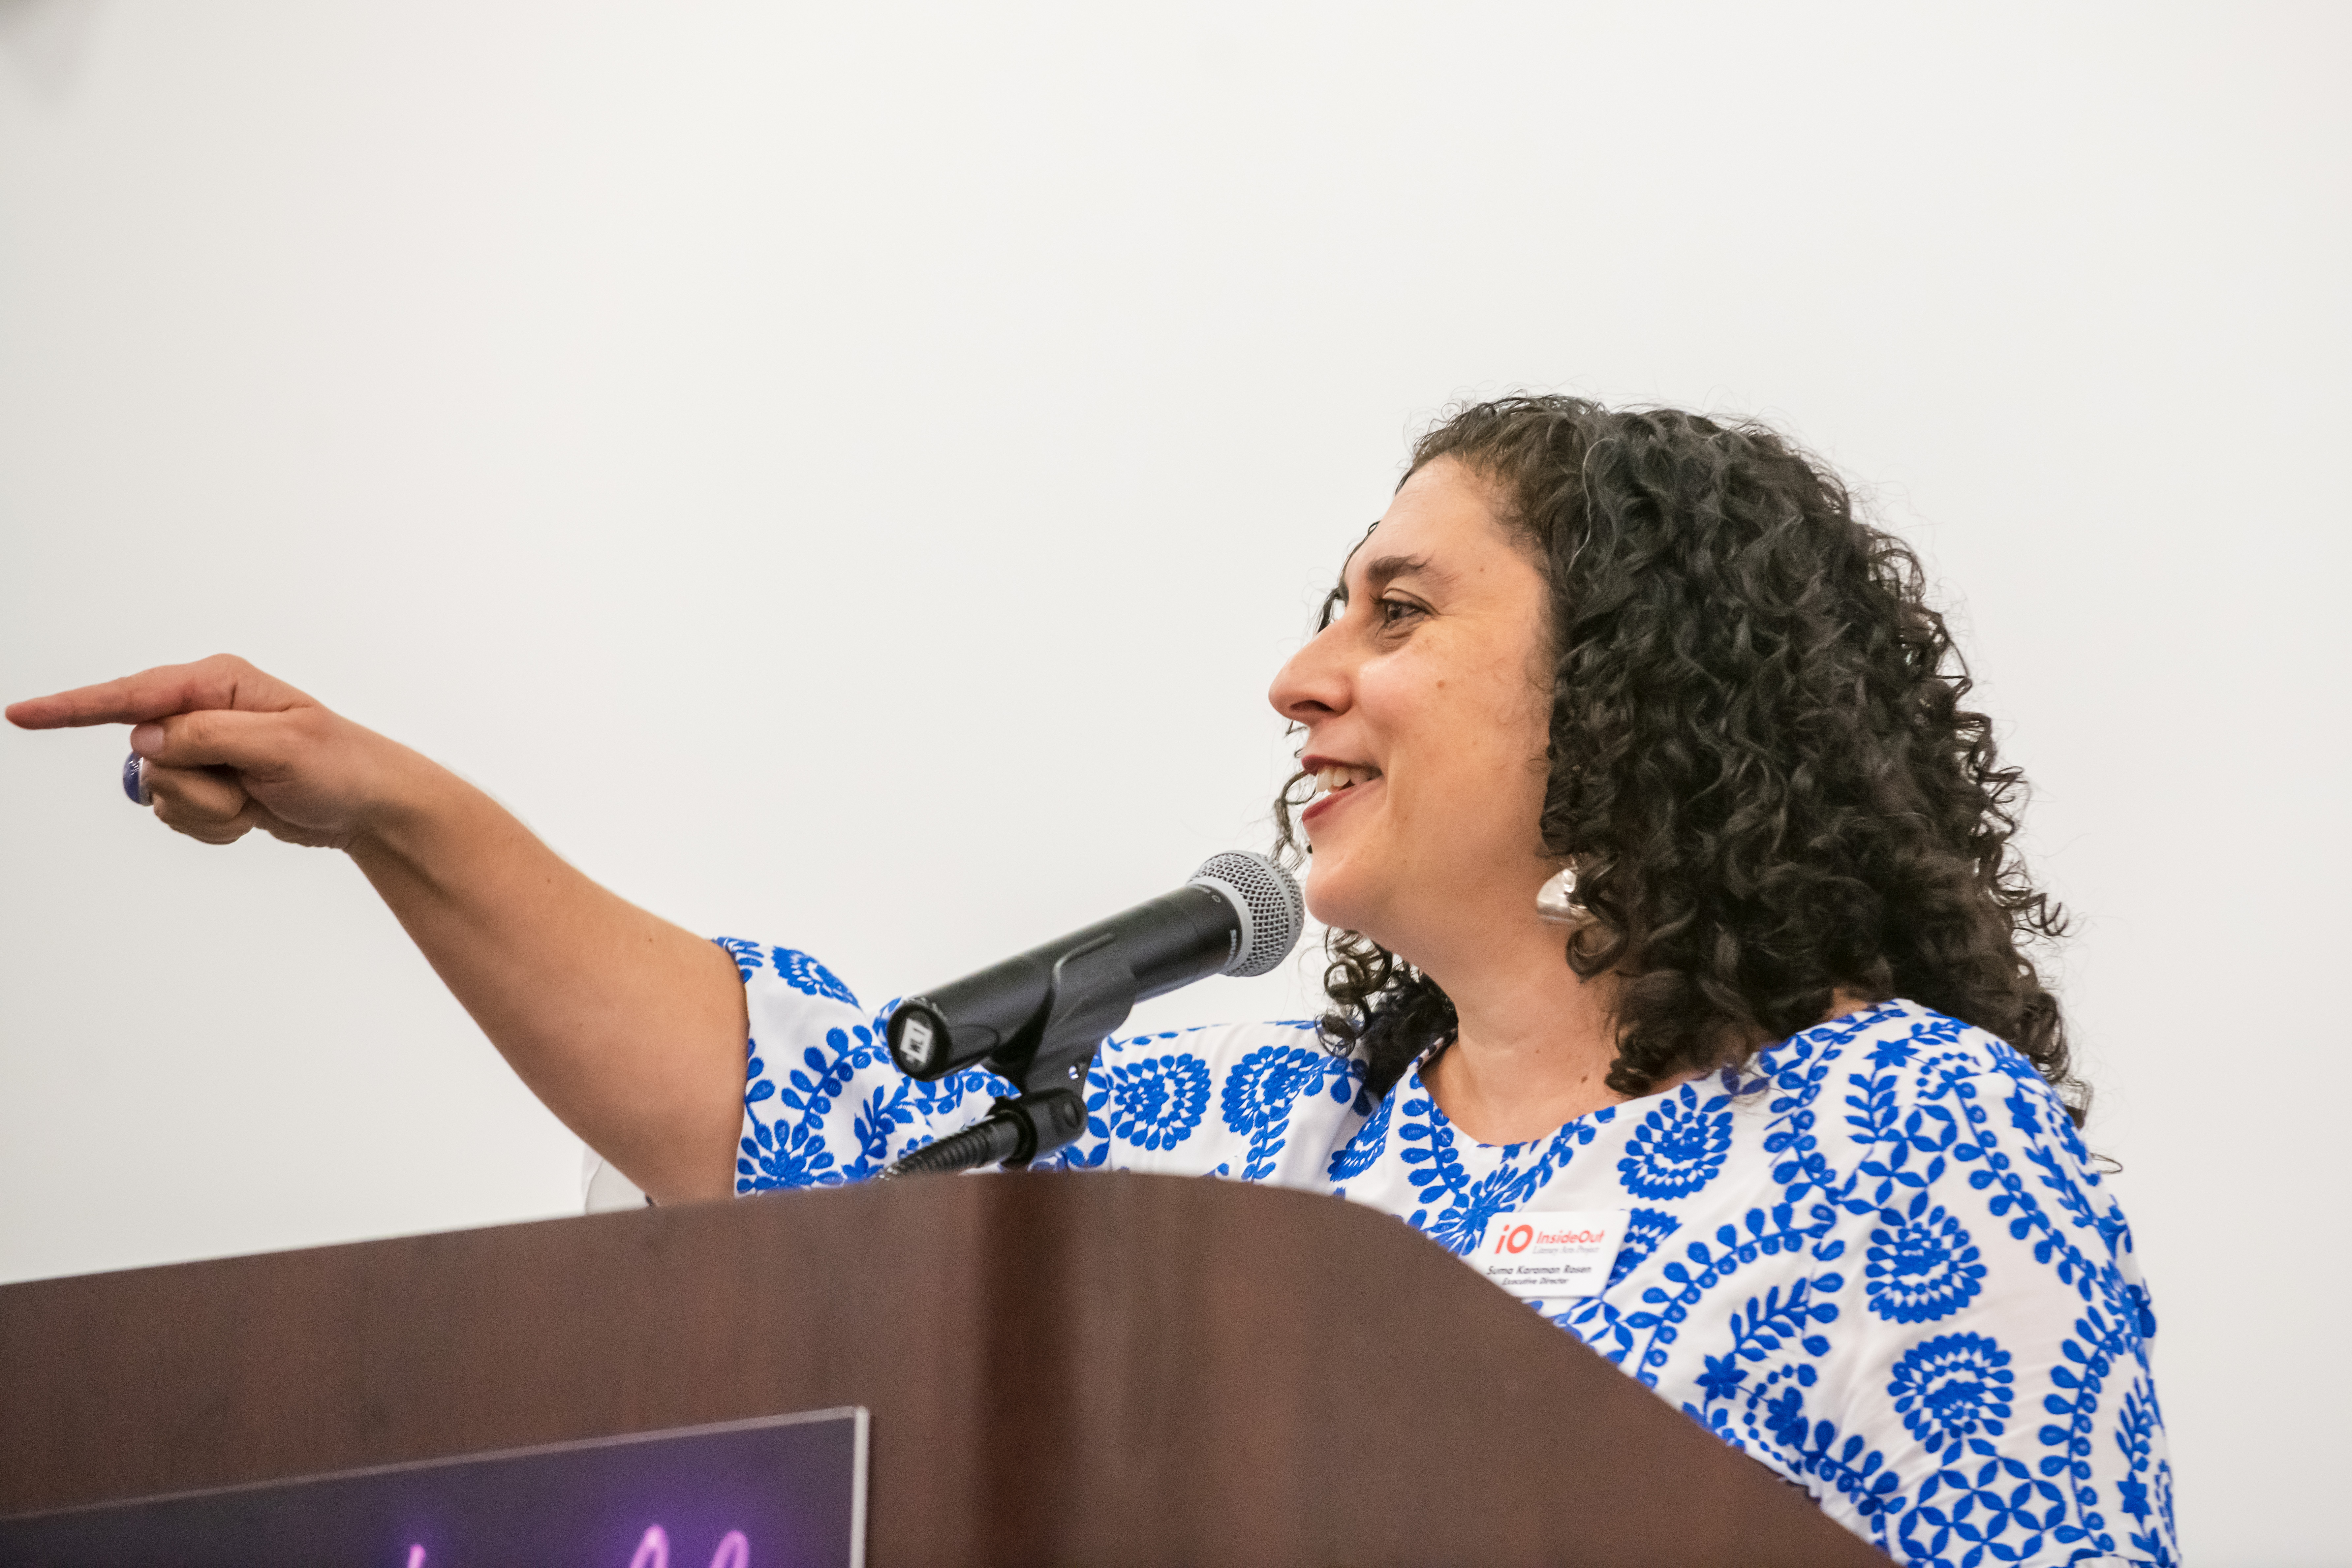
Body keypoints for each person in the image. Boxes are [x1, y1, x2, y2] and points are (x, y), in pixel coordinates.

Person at [6, 396, 2175, 1566]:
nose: (1301, 673)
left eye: (1397, 611)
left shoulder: (1909, 1129)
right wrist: (386, 804)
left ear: (1630, 693)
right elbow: (784, 1109)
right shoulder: (1243, 1148)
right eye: (1324, 608)